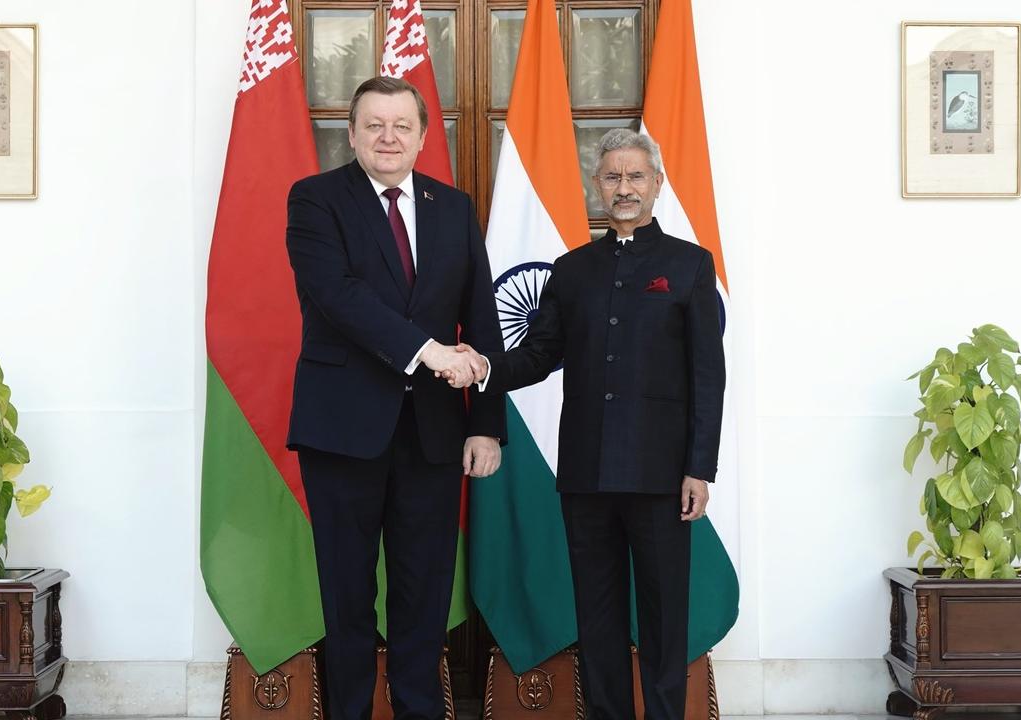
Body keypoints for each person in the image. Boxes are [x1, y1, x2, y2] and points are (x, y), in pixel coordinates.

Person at [447, 128, 725, 720]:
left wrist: (699, 467)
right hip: (586, 475)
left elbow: (708, 376)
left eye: (635, 176)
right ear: (596, 186)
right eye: (612, 177)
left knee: (662, 616)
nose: (624, 188)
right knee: (595, 617)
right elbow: (539, 354)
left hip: (661, 477)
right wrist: (482, 368)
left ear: (656, 184)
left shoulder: (690, 267)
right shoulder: (572, 270)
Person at [284, 77, 506, 720]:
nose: (388, 137)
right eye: (374, 125)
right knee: (347, 596)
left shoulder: (454, 207)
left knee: (424, 595)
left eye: (402, 126)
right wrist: (430, 352)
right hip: (343, 430)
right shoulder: (316, 200)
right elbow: (339, 296)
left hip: (434, 435)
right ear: (351, 134)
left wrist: (486, 425)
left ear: (422, 136)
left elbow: (482, 318)